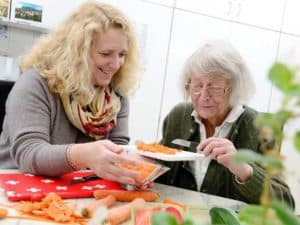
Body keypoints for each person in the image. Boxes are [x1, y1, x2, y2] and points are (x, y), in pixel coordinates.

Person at [0, 1, 145, 187]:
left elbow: (118, 149)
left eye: (122, 54)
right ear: (78, 52)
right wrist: (84, 155)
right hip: (13, 192)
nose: (116, 64)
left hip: (76, 192)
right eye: (106, 53)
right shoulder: (35, 84)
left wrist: (134, 163)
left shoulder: (116, 96)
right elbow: (29, 155)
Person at [156, 40, 295, 208]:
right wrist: (143, 165)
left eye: (215, 88)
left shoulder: (262, 128)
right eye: (197, 86)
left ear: (234, 88)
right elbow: (161, 173)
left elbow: (285, 204)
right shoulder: (178, 116)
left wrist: (244, 169)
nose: (203, 96)